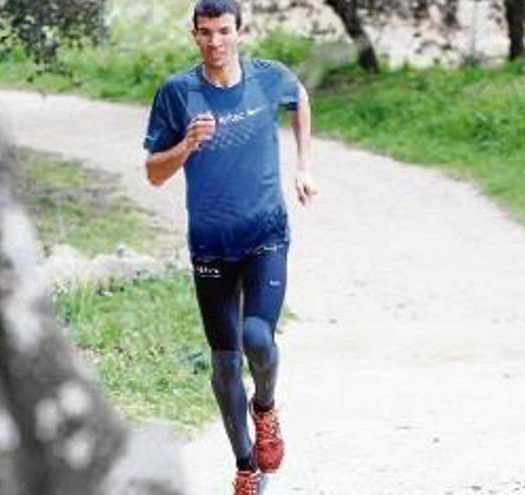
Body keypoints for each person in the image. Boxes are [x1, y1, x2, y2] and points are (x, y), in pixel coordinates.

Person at [142, 1, 316, 493]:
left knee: (258, 338)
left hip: (266, 235)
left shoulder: (268, 78)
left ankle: (266, 408)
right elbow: (153, 173)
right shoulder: (178, 93)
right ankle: (246, 467)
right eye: (205, 33)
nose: (215, 42)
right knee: (223, 363)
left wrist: (304, 164)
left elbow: (300, 97)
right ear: (194, 35)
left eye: (223, 32)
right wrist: (186, 146)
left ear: (240, 32)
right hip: (211, 247)